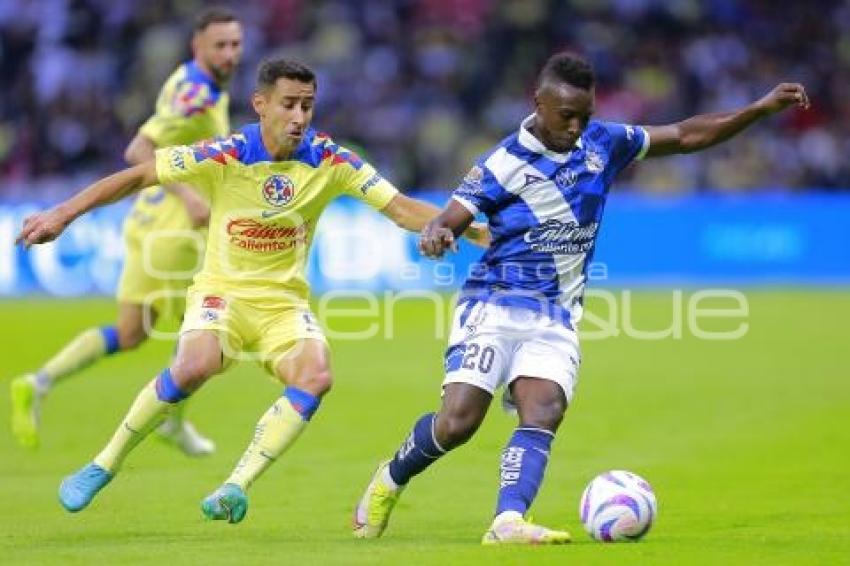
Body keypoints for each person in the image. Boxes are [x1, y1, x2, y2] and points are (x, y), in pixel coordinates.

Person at [352, 52, 810, 544]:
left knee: (543, 408)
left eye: (584, 115)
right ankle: (390, 478)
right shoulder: (502, 164)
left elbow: (685, 135)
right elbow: (449, 219)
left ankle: (507, 521)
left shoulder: (603, 142)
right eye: (566, 115)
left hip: (556, 313)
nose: (575, 126)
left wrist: (757, 109)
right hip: (494, 303)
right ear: (539, 103)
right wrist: (436, 236)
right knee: (459, 422)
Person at [17, 58, 489, 520]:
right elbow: (139, 174)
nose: (300, 117)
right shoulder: (225, 153)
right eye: (289, 104)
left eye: (308, 105)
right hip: (222, 294)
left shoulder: (331, 159)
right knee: (196, 364)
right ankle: (104, 464)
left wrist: (469, 228)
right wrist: (62, 214)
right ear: (260, 104)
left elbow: (402, 208)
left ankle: (233, 487)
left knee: (316, 376)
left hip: (283, 305)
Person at [9, 7, 244, 455]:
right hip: (173, 233)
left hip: (149, 222)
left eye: (235, 44)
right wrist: (191, 198)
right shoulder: (194, 92)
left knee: (132, 331)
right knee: (209, 330)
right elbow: (139, 150)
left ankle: (37, 382)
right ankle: (173, 419)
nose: (230, 53)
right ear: (198, 47)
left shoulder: (199, 83)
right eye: (221, 45)